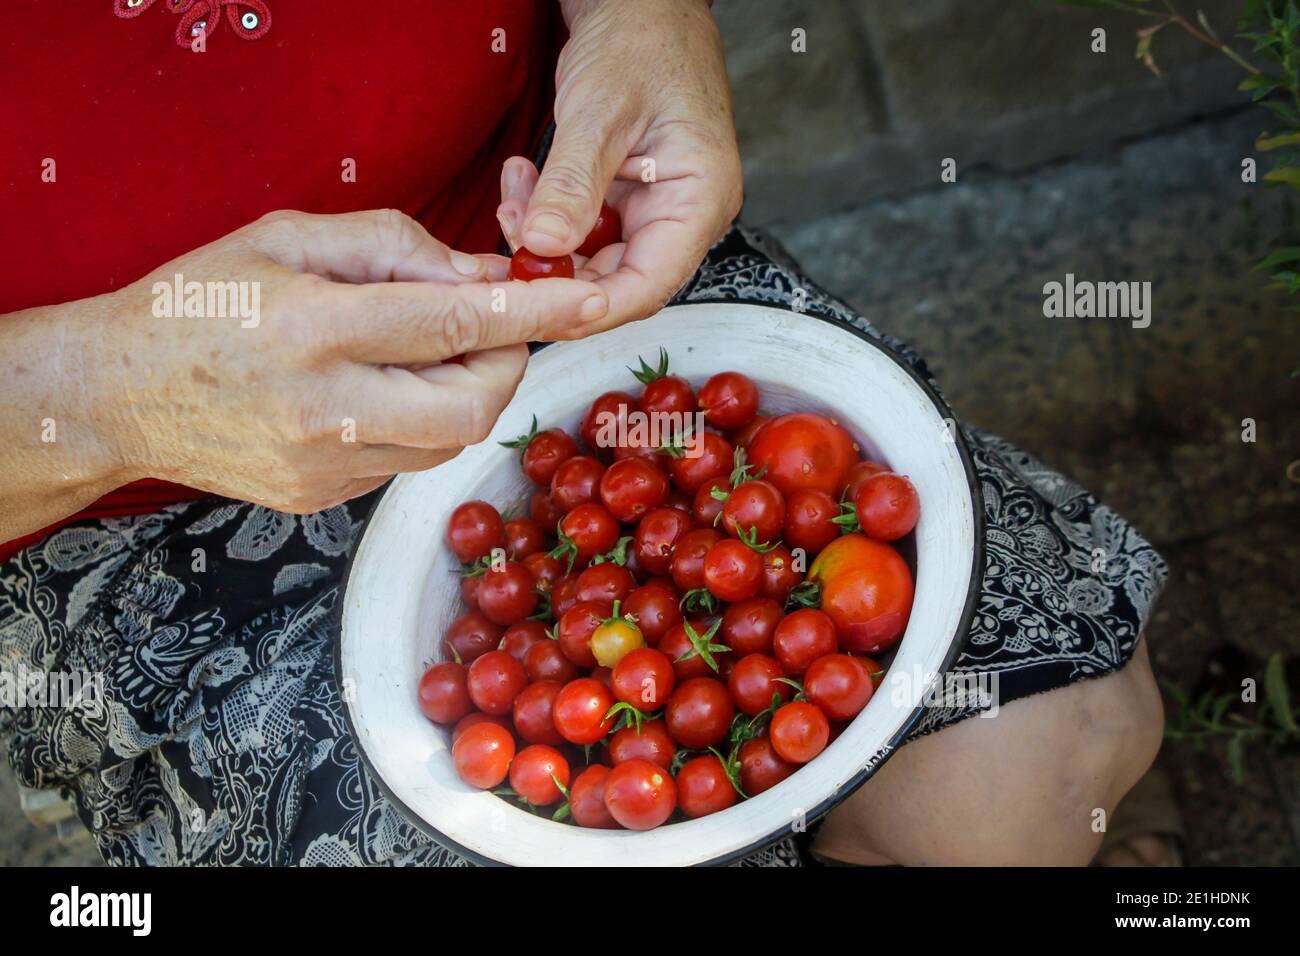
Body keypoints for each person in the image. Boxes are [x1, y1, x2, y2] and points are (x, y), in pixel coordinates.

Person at [0, 0, 1166, 866]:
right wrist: (104, 393)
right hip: (121, 501)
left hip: (547, 271)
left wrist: (641, 16)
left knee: (1032, 767)